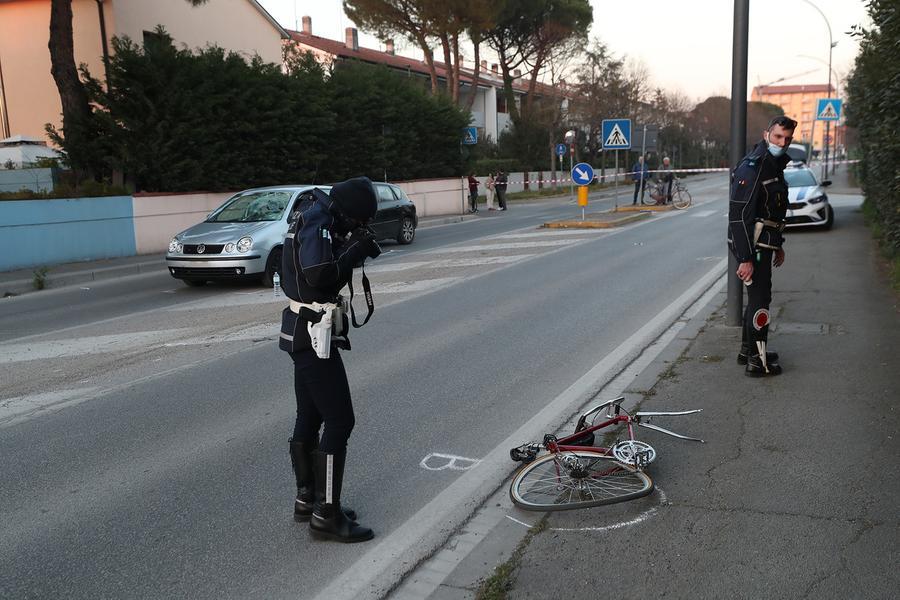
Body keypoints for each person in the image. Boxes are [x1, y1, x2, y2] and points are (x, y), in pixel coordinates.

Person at [279, 176, 382, 542]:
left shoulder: (311, 212)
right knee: (340, 421)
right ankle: (327, 515)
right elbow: (319, 274)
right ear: (347, 212)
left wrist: (348, 244)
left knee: (310, 415)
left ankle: (307, 500)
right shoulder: (319, 222)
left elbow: (314, 271)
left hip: (300, 329)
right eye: (356, 222)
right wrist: (354, 251)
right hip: (313, 333)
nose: (355, 228)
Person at [728, 115, 797, 377]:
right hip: (753, 246)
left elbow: (774, 212)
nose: (782, 142)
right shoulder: (753, 167)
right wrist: (745, 258)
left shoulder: (773, 164)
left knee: (757, 297)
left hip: (764, 244)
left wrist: (778, 244)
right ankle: (758, 363)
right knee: (760, 300)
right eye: (778, 136)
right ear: (766, 133)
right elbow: (739, 216)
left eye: (787, 139)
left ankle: (748, 351)